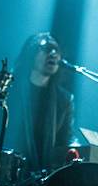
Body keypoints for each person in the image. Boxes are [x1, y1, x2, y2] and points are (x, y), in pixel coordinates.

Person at [11, 32, 74, 173]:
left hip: (42, 179)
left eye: (56, 50)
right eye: (47, 48)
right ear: (31, 53)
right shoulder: (9, 88)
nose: (53, 54)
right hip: (4, 172)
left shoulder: (64, 100)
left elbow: (64, 142)